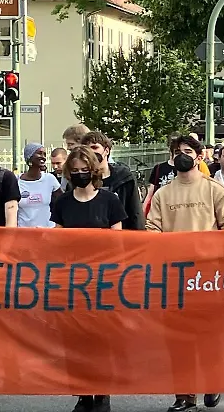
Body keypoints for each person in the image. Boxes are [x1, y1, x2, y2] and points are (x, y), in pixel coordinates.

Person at [146, 136, 224, 412]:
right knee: (178, 340)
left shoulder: (214, 189)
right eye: (177, 152)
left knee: (208, 336)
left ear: (198, 156)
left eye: (187, 151)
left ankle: (212, 381)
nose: (182, 155)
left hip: (208, 276)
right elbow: (152, 231)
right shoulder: (162, 194)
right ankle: (184, 395)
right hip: (174, 276)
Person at [51, 146, 125, 412]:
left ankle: (102, 391)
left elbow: (118, 241)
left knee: (101, 339)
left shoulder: (110, 200)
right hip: (72, 280)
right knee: (75, 339)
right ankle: (83, 392)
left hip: (102, 280)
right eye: (76, 171)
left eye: (85, 170)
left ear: (93, 171)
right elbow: (56, 239)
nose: (80, 174)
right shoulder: (63, 203)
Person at [81, 131, 144, 230]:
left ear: (106, 150)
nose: (91, 153)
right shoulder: (81, 179)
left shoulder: (124, 178)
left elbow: (135, 212)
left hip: (120, 236)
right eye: (87, 149)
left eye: (94, 147)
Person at [17, 143, 61, 228]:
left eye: (44, 154)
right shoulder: (17, 181)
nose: (43, 157)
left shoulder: (49, 179)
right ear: (29, 157)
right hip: (23, 233)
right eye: (39, 153)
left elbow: (62, 202)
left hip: (46, 233)